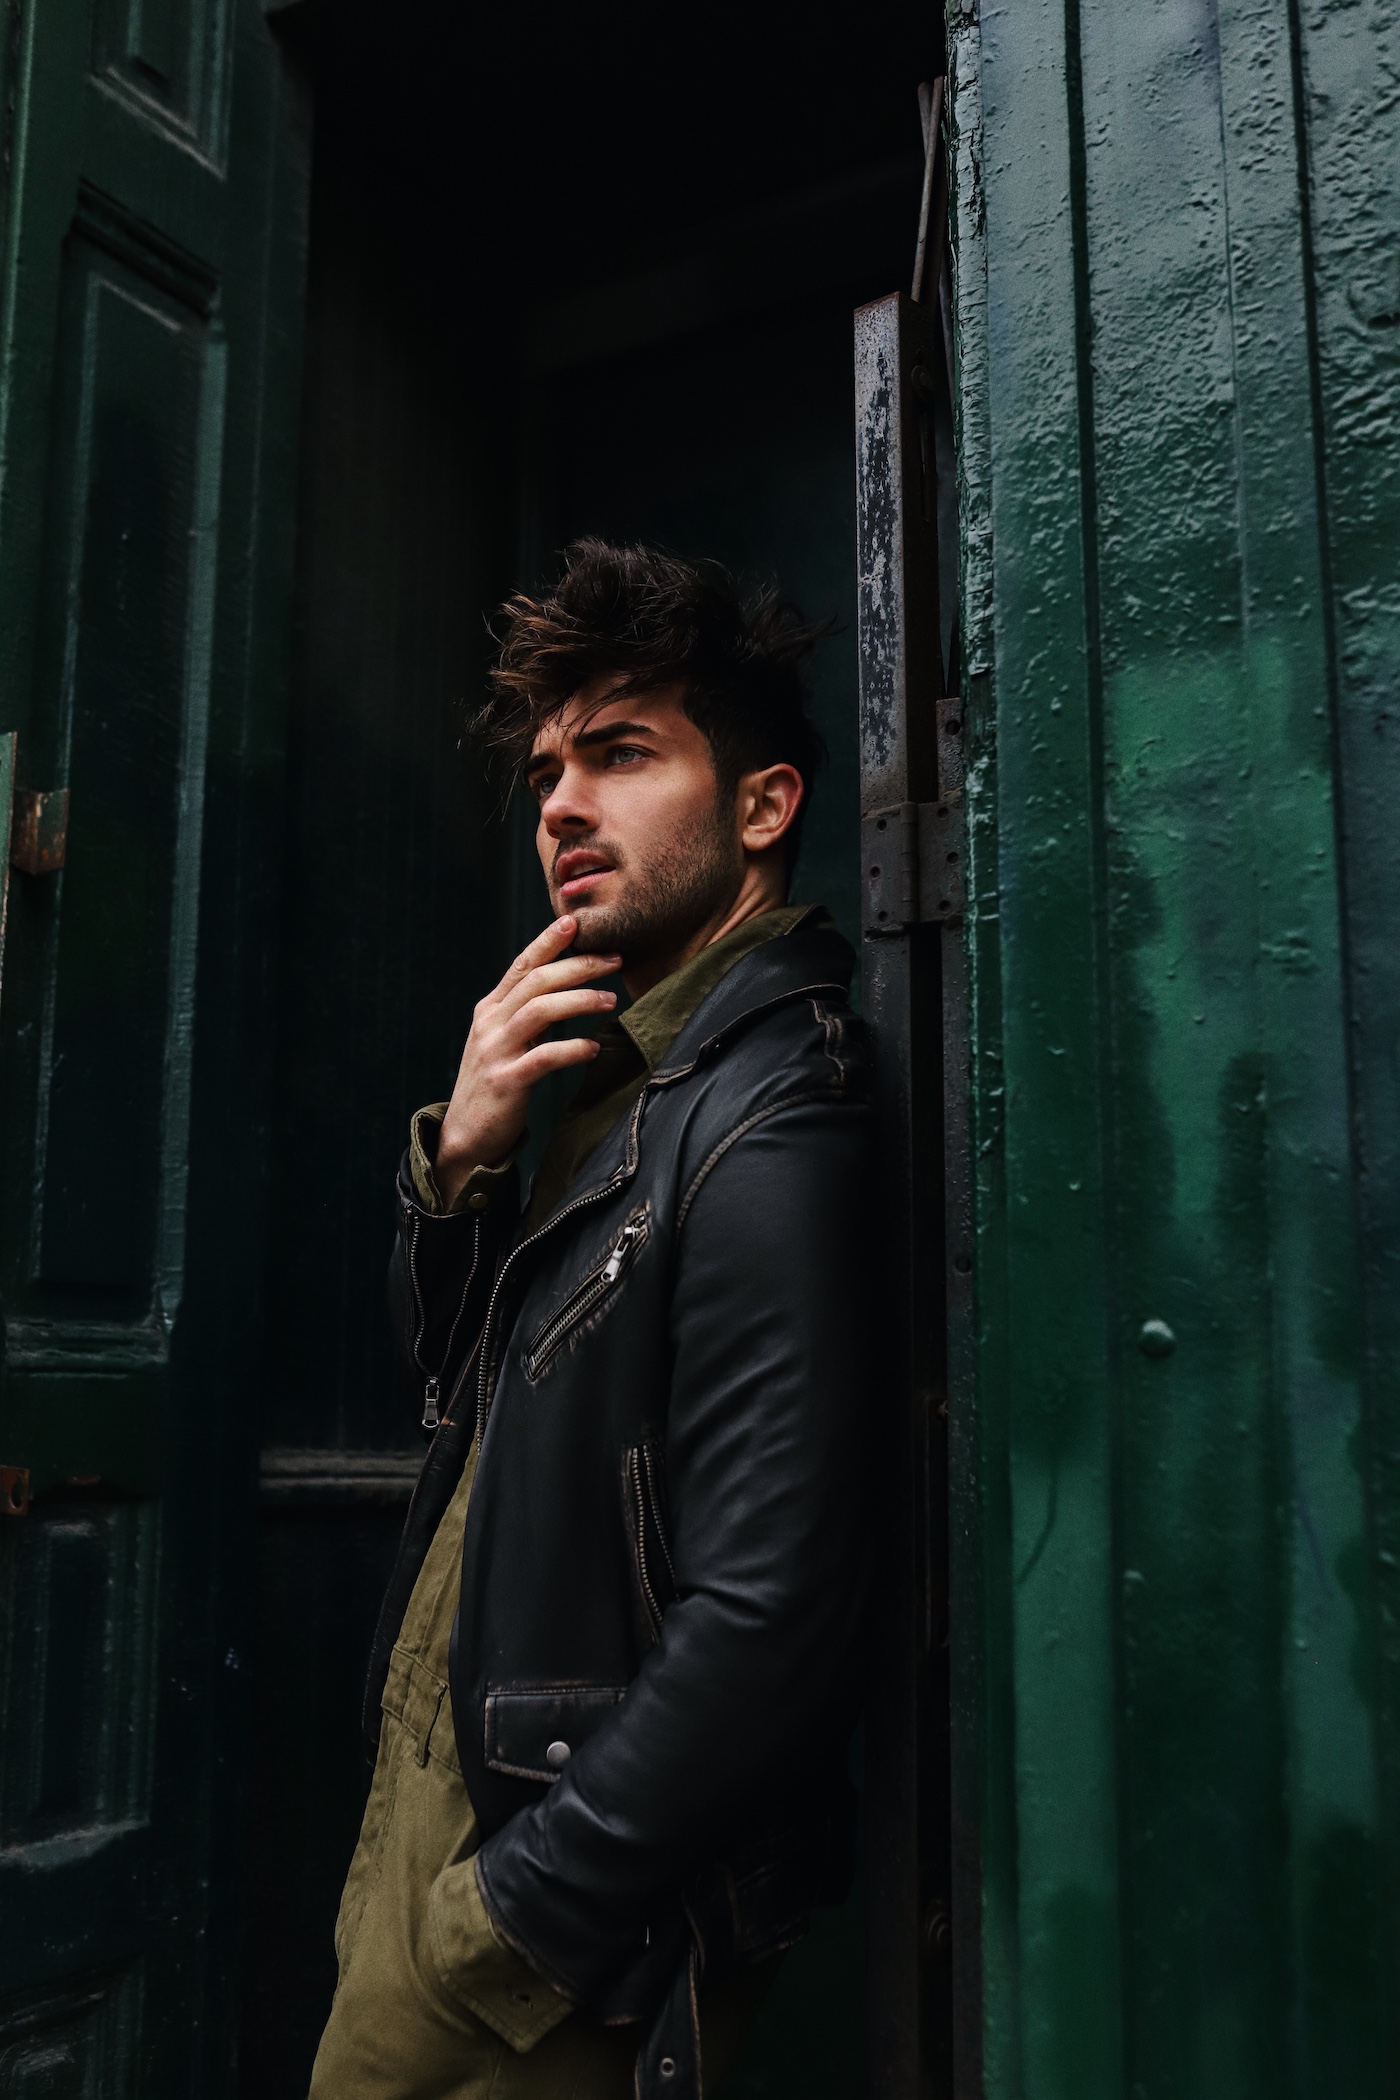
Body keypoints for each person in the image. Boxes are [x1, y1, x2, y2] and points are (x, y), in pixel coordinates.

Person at [310, 540, 874, 2100]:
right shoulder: (623, 1078)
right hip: (447, 1821)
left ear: (763, 807)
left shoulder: (775, 1114)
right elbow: (459, 1402)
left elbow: (772, 1617)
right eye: (550, 770)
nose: (561, 805)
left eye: (620, 754)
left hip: (539, 1922)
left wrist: (514, 1920)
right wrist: (461, 1164)